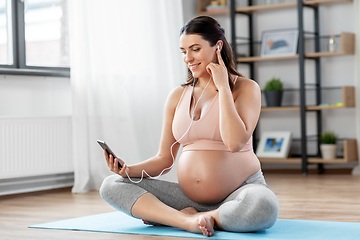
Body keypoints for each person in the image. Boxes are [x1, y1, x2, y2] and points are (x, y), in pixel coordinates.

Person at [99, 16, 279, 237]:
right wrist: (128, 171)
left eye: (195, 49)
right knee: (111, 184)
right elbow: (164, 160)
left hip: (240, 193)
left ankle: (192, 217)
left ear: (217, 47)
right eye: (183, 51)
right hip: (187, 198)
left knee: (264, 207)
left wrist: (223, 87)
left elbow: (234, 142)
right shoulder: (177, 96)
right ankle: (187, 220)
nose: (188, 58)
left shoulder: (245, 88)